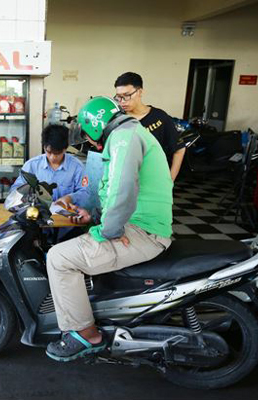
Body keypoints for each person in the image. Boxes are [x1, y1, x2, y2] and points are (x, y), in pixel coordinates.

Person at [44, 96, 173, 361]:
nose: (90, 143)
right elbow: (116, 190)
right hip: (138, 224)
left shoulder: (123, 138)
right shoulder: (129, 132)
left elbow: (121, 189)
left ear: (94, 126)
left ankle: (86, 334)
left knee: (58, 258)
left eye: (88, 137)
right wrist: (94, 216)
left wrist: (108, 231)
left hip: (141, 231)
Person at [114, 72, 186, 181]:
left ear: (140, 92)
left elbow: (179, 149)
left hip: (153, 182)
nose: (122, 102)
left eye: (127, 96)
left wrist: (170, 180)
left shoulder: (159, 117)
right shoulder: (117, 119)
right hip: (123, 183)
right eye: (119, 97)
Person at [10, 124, 89, 209]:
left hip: (66, 216)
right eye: (49, 152)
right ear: (44, 147)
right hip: (36, 214)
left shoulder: (77, 167)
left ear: (65, 148)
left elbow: (85, 192)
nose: (52, 157)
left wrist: (70, 198)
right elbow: (15, 190)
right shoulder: (31, 165)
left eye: (57, 153)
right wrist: (27, 195)